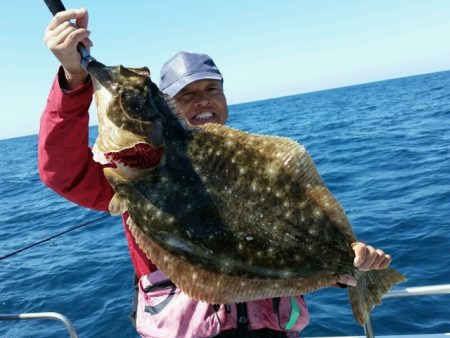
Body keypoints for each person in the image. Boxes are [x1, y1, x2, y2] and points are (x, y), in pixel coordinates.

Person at [40, 8, 392, 338]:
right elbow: (62, 172)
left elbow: (285, 242)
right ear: (166, 107)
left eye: (212, 89)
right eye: (187, 94)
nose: (203, 100)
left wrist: (351, 258)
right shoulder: (127, 173)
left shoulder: (250, 168)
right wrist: (73, 79)